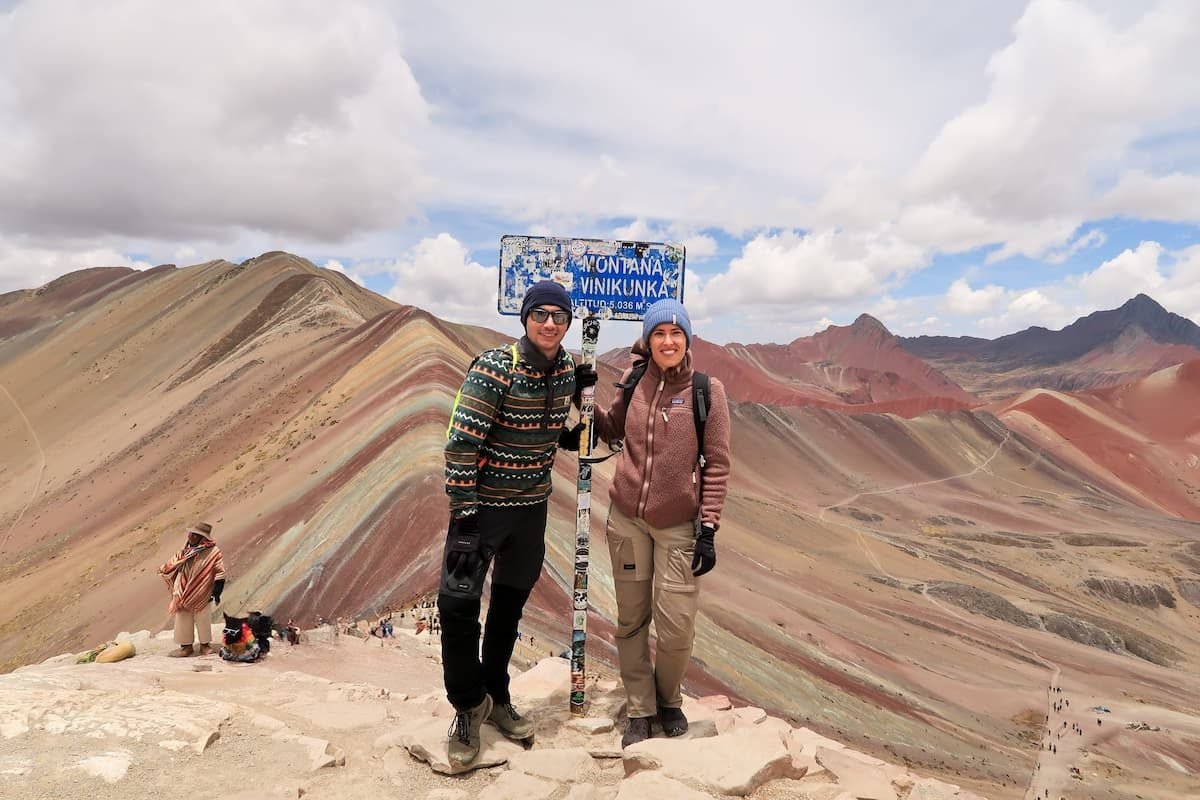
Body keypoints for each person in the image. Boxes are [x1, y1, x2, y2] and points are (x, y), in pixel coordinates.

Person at [437, 280, 597, 766]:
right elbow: (460, 445)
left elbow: (547, 428)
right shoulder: (494, 369)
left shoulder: (570, 369)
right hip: (482, 512)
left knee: (507, 611)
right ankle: (467, 707)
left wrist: (569, 434)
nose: (550, 323)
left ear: (569, 322)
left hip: (531, 511)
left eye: (559, 316)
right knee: (457, 608)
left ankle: (497, 695)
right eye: (540, 314)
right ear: (525, 318)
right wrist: (463, 517)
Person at [592, 299, 731, 748]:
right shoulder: (634, 381)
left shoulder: (708, 391)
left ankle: (669, 699)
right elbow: (611, 431)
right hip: (627, 520)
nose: (667, 341)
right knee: (631, 620)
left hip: (678, 526)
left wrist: (707, 529)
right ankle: (640, 708)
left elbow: (718, 465)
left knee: (676, 627)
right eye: (659, 334)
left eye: (676, 333)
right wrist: (584, 397)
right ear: (648, 341)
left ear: (687, 339)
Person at [158, 521, 227, 657]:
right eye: (190, 534)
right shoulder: (185, 551)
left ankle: (205, 645)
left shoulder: (213, 552)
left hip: (204, 591)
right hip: (183, 591)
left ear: (203, 538)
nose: (191, 537)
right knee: (183, 618)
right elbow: (173, 564)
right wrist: (166, 568)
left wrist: (216, 593)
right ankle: (186, 646)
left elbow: (220, 572)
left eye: (195, 535)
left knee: (203, 619)